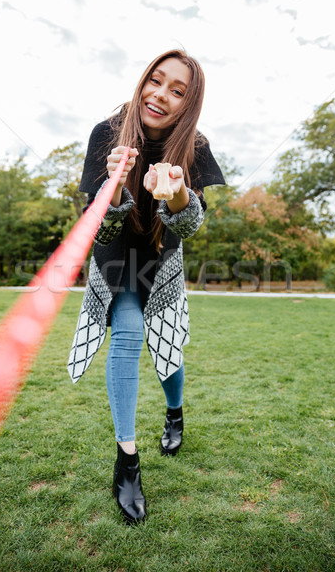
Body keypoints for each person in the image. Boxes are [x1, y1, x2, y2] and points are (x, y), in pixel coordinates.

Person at [67, 49, 225, 524]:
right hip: (116, 265)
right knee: (130, 335)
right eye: (156, 81)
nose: (161, 94)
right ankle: (127, 462)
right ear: (143, 82)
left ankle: (174, 413)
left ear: (189, 103)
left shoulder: (194, 147)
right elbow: (100, 229)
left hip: (160, 265)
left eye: (178, 90)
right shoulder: (106, 135)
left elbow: (192, 225)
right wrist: (113, 189)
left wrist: (176, 191)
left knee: (167, 348)